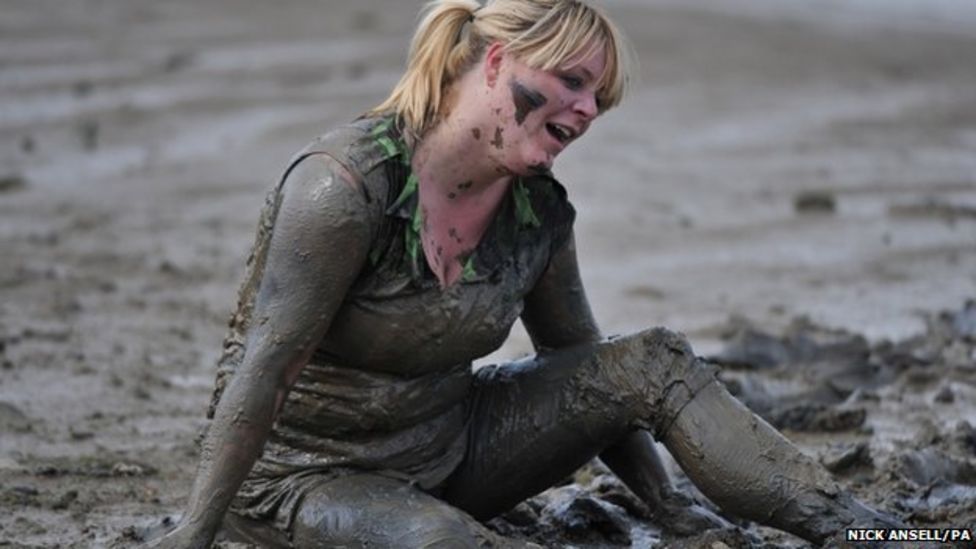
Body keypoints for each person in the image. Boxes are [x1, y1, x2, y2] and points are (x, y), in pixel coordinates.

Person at [148, 0, 902, 547]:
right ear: (499, 59)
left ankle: (862, 531)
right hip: (303, 478)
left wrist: (671, 509)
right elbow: (263, 370)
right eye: (572, 82)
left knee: (656, 360)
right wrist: (194, 533)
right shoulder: (343, 188)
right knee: (448, 542)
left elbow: (603, 377)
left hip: (453, 446)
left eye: (596, 98)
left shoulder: (538, 210)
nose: (584, 110)